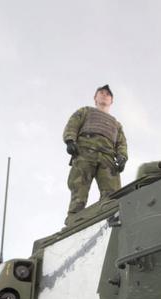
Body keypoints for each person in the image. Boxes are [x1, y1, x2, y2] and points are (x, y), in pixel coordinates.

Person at [62, 84, 127, 224]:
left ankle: (110, 217)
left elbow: (121, 143)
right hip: (85, 152)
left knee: (112, 193)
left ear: (111, 101)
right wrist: (69, 140)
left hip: (108, 158)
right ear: (95, 98)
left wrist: (122, 157)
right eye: (101, 93)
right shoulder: (85, 111)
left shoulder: (116, 124)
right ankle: (74, 221)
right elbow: (73, 124)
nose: (104, 95)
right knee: (79, 189)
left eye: (108, 94)